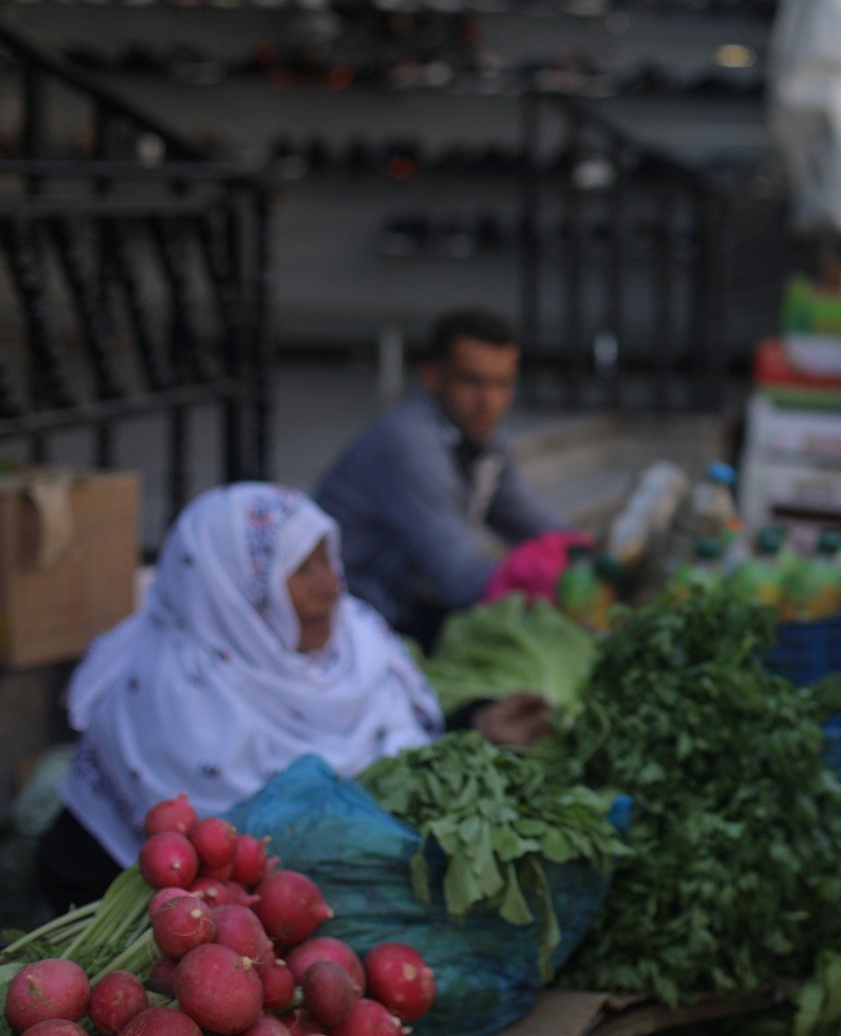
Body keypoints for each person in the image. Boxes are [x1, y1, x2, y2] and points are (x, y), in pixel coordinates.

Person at [37, 483, 550, 912]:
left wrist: (476, 726)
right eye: (302, 570)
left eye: (328, 560)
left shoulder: (358, 643)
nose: (330, 587)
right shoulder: (162, 702)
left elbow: (392, 771)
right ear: (233, 592)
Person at [316, 309, 566, 648]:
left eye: (502, 384)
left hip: (409, 608)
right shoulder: (408, 443)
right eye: (471, 381)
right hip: (353, 621)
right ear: (432, 377)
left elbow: (531, 521)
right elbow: (460, 578)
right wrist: (562, 585)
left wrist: (591, 558)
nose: (488, 400)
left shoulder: (484, 440)